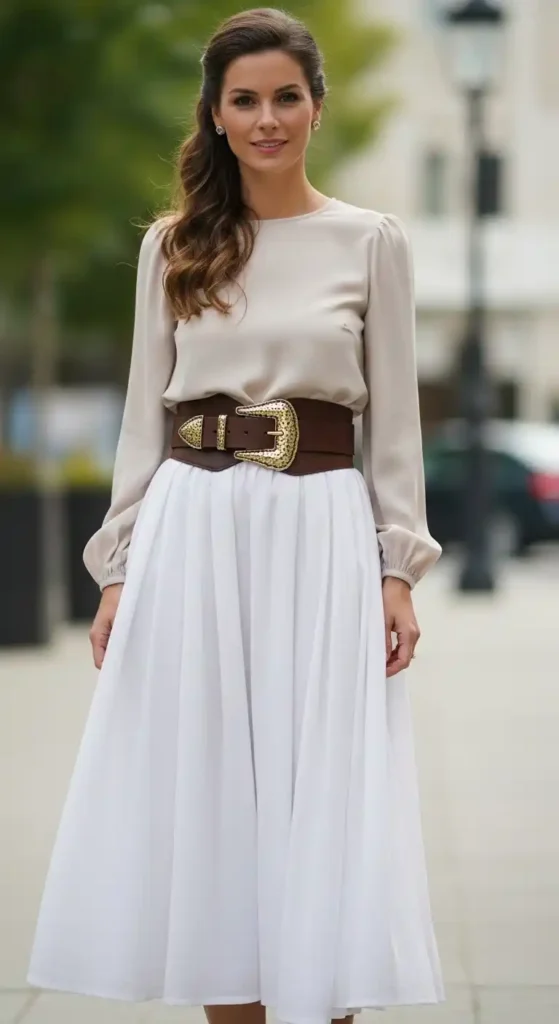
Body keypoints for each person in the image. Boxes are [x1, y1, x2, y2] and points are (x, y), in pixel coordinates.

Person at [27, 8, 444, 1024]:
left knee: (320, 804)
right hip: (191, 533)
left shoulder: (369, 241)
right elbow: (141, 417)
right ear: (214, 116)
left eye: (285, 98)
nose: (267, 119)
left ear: (314, 106)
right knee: (211, 805)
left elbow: (392, 422)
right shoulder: (173, 246)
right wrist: (117, 570)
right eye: (244, 101)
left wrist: (395, 567)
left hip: (320, 532)